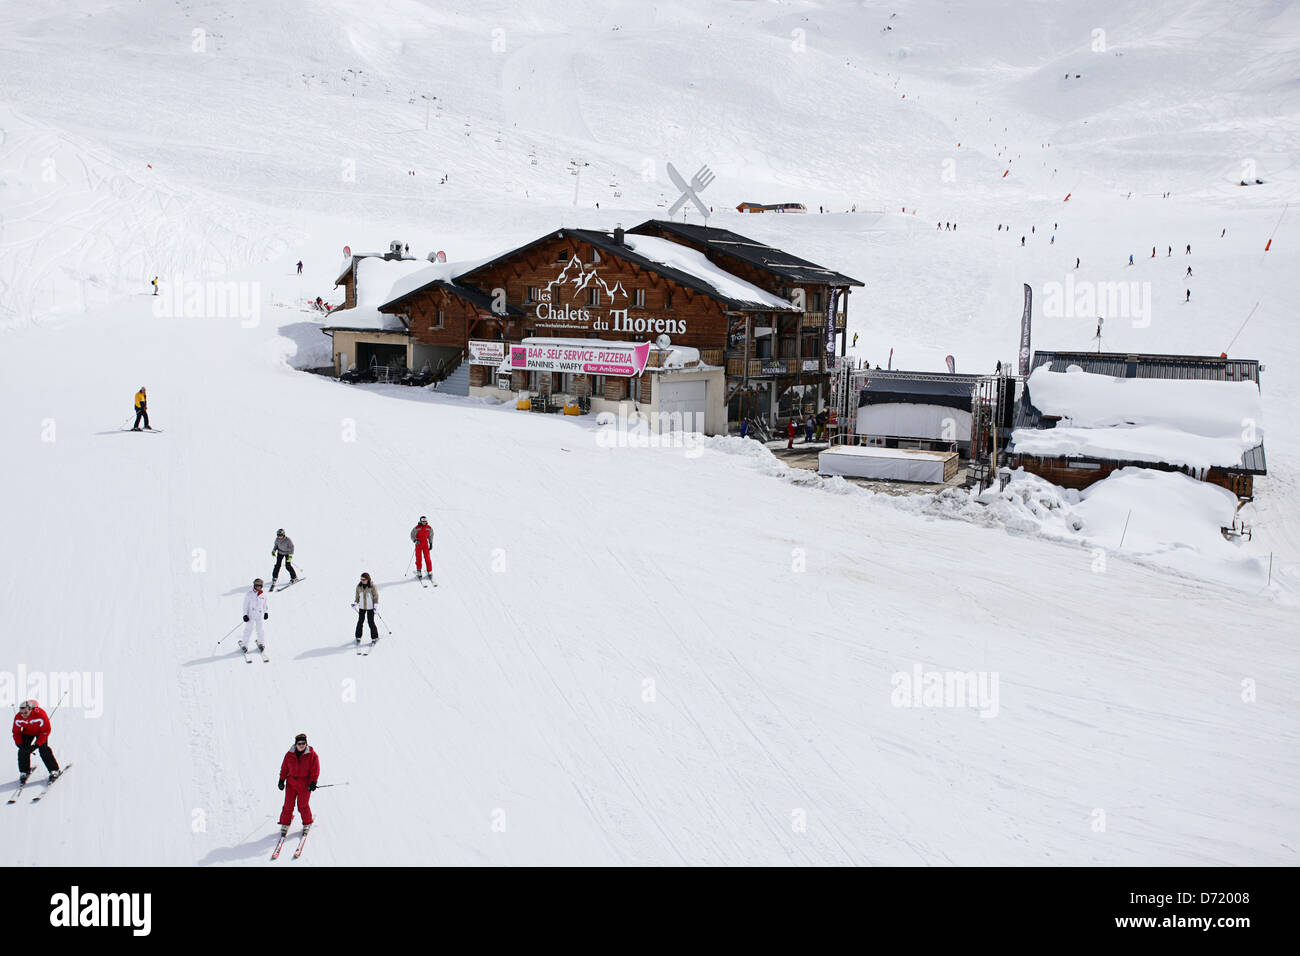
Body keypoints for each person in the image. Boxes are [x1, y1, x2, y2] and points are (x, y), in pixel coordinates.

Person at [277, 733, 319, 837]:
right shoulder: (289, 755)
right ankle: (285, 824)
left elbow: (315, 770)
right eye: (299, 743)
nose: (301, 745)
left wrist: (313, 782)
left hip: (304, 785)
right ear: (295, 744)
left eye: (303, 743)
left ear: (306, 743)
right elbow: (284, 768)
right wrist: (281, 780)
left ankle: (307, 823)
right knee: (288, 805)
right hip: (291, 784)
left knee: (302, 806)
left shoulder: (312, 755)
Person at [12, 699, 60, 785]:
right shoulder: (18, 717)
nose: (23, 715)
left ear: (31, 710)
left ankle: (54, 770)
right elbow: (16, 732)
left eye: (25, 712)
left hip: (40, 733)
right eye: (21, 712)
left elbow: (46, 731)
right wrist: (19, 744)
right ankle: (24, 771)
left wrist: (36, 745)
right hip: (28, 732)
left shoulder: (40, 714)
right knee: (23, 750)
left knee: (43, 749)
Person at [240, 578, 269, 654]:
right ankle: (245, 645)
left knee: (260, 630)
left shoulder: (263, 595)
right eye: (257, 585)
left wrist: (266, 612)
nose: (258, 587)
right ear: (254, 585)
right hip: (251, 615)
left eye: (260, 586)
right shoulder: (249, 594)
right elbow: (245, 605)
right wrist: (245, 615)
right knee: (248, 630)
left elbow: (265, 605)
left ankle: (261, 643)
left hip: (259, 615)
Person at [353, 572, 379, 645]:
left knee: (371, 622)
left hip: (370, 607)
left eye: (364, 579)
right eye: (361, 579)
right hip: (362, 607)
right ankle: (358, 636)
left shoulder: (372, 586)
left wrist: (376, 606)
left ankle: (374, 637)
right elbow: (357, 596)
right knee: (360, 621)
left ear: (368, 579)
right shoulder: (359, 586)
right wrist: (355, 603)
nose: (362, 580)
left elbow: (376, 596)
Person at [410, 517, 434, 581]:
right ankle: (419, 571)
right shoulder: (417, 528)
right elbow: (412, 535)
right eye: (423, 521)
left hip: (425, 544)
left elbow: (431, 536)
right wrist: (415, 540)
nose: (424, 522)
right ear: (420, 521)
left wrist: (431, 543)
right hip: (418, 544)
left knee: (427, 558)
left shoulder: (429, 528)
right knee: (418, 558)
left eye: (425, 521)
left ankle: (429, 572)